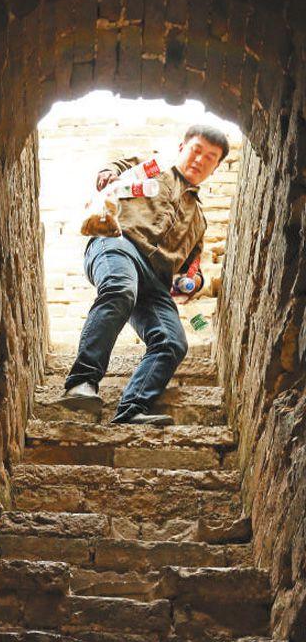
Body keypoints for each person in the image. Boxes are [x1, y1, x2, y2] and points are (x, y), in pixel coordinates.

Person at [58, 125, 230, 425]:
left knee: (172, 341)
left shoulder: (199, 221)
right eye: (196, 150)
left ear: (215, 168)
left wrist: (194, 282)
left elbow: (191, 267)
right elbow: (115, 167)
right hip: (118, 244)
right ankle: (82, 381)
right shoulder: (154, 168)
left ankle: (132, 409)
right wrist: (108, 174)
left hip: (157, 282)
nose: (200, 160)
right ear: (182, 148)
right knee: (120, 289)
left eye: (210, 157)